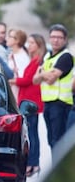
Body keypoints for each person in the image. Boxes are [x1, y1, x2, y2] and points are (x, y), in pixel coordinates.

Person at [33, 24, 74, 158]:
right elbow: (35, 80)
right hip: (48, 103)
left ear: (65, 39)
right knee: (51, 140)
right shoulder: (47, 57)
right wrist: (45, 74)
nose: (55, 40)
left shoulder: (65, 57)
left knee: (58, 141)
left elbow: (50, 79)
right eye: (53, 37)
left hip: (61, 103)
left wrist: (43, 74)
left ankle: (59, 173)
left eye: (59, 37)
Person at [9, 34, 46, 177]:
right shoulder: (33, 60)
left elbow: (27, 80)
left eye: (32, 43)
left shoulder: (37, 61)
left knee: (31, 134)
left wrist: (12, 80)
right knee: (32, 133)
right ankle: (33, 163)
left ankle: (33, 163)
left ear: (38, 45)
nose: (29, 45)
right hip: (27, 99)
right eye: (29, 42)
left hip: (31, 102)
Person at [6, 29, 30, 100]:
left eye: (10, 36)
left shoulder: (22, 57)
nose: (7, 38)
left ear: (17, 41)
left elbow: (23, 78)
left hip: (17, 94)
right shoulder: (12, 54)